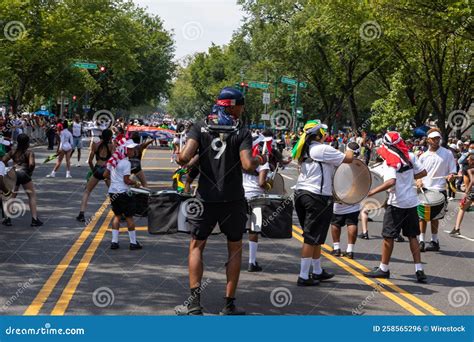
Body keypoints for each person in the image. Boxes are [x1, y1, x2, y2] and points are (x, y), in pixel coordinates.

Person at [174, 87, 265, 315]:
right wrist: (259, 159)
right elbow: (247, 164)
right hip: (233, 200)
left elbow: (184, 159)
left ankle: (194, 304)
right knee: (234, 250)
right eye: (241, 104)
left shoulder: (200, 127)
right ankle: (229, 304)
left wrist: (180, 153)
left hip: (205, 199)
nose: (242, 109)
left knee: (196, 246)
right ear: (231, 105)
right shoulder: (241, 131)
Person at [293, 120, 358, 286]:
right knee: (311, 238)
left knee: (315, 236)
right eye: (323, 132)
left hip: (301, 194)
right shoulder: (321, 149)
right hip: (316, 196)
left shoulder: (305, 148)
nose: (325, 134)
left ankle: (317, 271)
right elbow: (348, 159)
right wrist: (352, 145)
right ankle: (303, 276)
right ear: (318, 134)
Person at [363, 131, 427, 283]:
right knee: (413, 237)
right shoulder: (410, 156)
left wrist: (372, 192)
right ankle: (419, 270)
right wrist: (409, 177)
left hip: (397, 204)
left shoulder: (390, 160)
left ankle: (384, 269)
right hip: (411, 202)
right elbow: (423, 172)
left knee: (388, 237)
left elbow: (391, 182)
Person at [416, 128, 457, 252]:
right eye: (433, 138)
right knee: (422, 217)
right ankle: (422, 241)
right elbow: (418, 173)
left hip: (439, 189)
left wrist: (451, 176)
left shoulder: (447, 153)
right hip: (425, 189)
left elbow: (452, 171)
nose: (436, 141)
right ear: (428, 140)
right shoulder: (423, 156)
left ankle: (434, 241)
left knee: (435, 217)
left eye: (438, 138)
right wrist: (418, 180)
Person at [104, 139, 142, 250]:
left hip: (113, 192)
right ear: (124, 150)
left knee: (117, 216)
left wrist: (115, 180)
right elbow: (126, 180)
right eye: (130, 149)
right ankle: (133, 243)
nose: (133, 151)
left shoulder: (113, 160)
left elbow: (105, 174)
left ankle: (114, 242)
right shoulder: (126, 163)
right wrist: (136, 183)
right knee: (129, 217)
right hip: (123, 193)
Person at [243, 135, 271, 272]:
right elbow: (261, 183)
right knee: (254, 229)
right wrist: (269, 186)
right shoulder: (262, 161)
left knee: (236, 229)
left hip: (240, 195)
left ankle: (232, 259)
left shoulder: (242, 159)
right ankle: (251, 262)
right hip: (256, 197)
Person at [2, 134, 43, 227]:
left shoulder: (13, 152)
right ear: (27, 142)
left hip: (14, 174)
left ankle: (7, 219)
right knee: (31, 196)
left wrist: (8, 168)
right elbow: (32, 164)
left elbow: (3, 160)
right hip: (24, 174)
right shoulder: (29, 152)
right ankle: (34, 219)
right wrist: (30, 172)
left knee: (12, 196)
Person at [76, 129, 114, 222]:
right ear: (110, 137)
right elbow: (114, 161)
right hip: (106, 170)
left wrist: (93, 170)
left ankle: (81, 214)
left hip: (97, 169)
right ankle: (120, 213)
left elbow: (89, 161)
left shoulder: (95, 145)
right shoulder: (112, 146)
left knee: (87, 191)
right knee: (113, 192)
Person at [450, 153, 473, 235]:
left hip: (472, 191)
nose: (467, 159)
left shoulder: (468, 169)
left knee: (462, 208)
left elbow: (469, 182)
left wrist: (466, 192)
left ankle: (457, 228)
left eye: (468, 158)